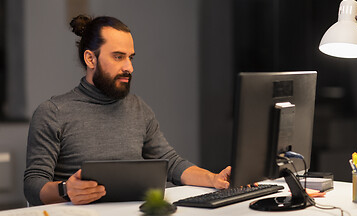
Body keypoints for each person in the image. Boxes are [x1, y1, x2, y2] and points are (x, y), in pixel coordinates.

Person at [24, 15, 231, 206]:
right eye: (118, 57)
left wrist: (213, 179)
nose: (129, 67)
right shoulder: (52, 112)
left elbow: (172, 163)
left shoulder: (138, 108)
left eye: (130, 57)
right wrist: (66, 189)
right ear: (90, 59)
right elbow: (33, 185)